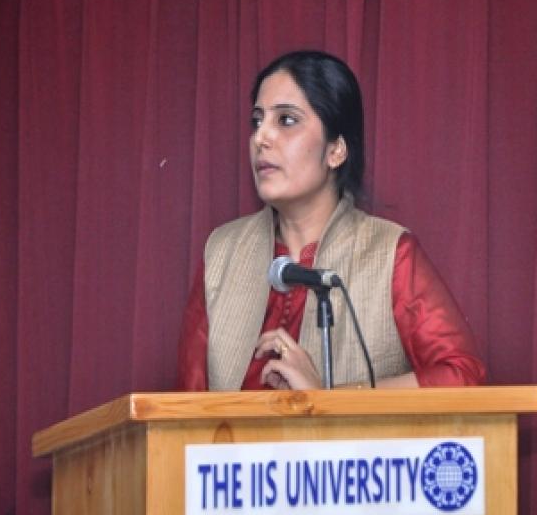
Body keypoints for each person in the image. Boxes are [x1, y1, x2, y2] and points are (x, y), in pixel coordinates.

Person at [177, 50, 485, 391]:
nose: (261, 138)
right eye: (257, 121)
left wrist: (330, 400)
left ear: (336, 150)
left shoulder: (388, 253)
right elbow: (185, 406)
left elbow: (463, 376)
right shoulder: (222, 252)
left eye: (286, 120)